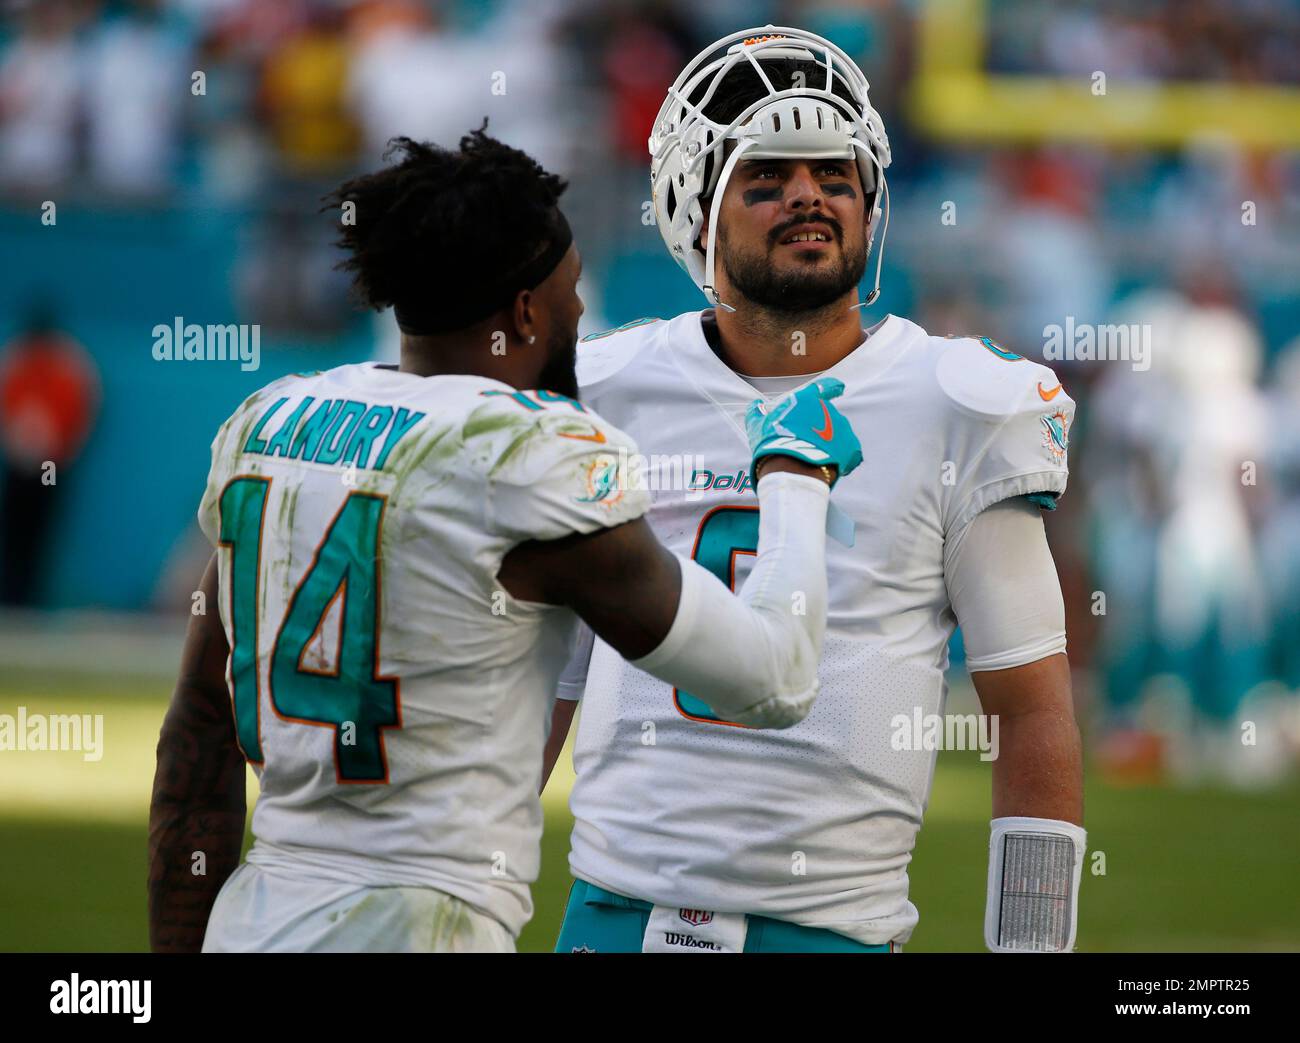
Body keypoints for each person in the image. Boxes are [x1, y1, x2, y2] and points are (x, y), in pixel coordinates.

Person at [147, 128, 864, 953]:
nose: (583, 312)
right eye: (573, 289)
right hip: (422, 926)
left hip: (255, 922)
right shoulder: (525, 456)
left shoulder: (274, 421)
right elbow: (773, 678)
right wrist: (794, 478)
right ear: (526, 309)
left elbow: (196, 733)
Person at [546, 27, 1086, 954]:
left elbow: (1029, 711)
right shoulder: (607, 388)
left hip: (828, 927)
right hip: (609, 916)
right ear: (695, 211)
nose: (808, 195)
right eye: (768, 178)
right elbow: (551, 679)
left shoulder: (954, 400)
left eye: (835, 177)